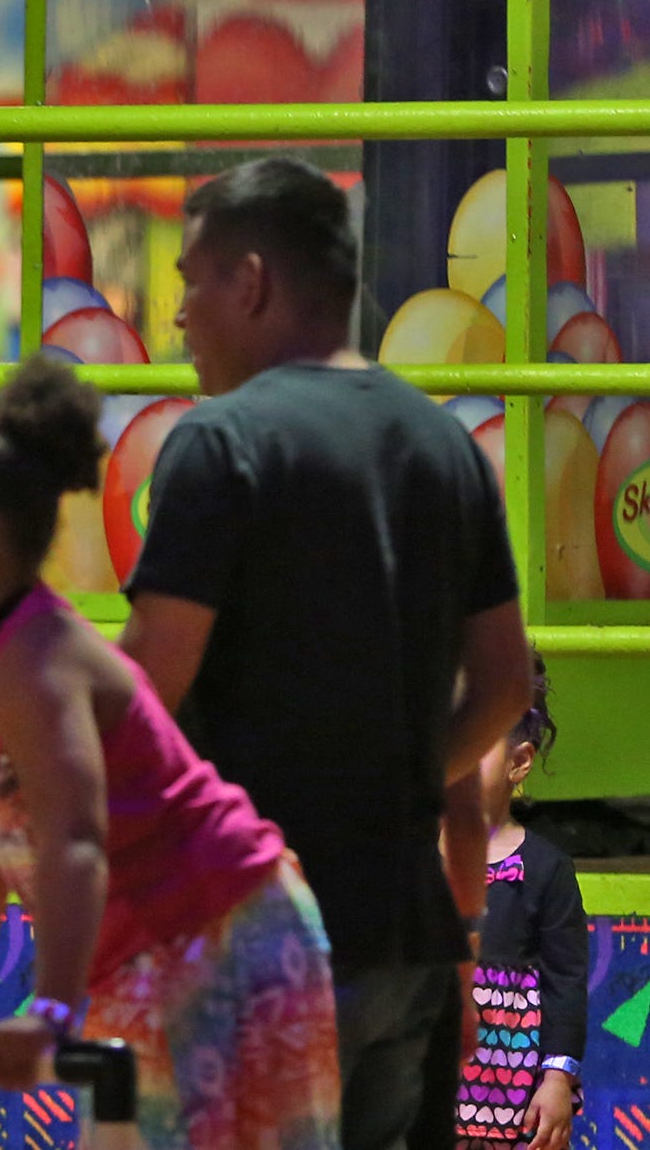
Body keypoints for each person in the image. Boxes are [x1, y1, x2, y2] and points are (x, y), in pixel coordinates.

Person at [117, 156, 537, 1150]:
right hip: (412, 942)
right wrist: (388, 775)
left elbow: (145, 690)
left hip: (269, 942)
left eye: (190, 280)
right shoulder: (444, 445)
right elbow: (506, 683)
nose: (179, 317)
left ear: (251, 280)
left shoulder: (220, 443)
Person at [0, 354, 340, 1150]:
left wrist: (49, 1013)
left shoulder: (34, 663)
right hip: (155, 953)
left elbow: (73, 841)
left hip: (217, 934)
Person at [453, 654, 583, 1150]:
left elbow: (565, 982)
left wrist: (557, 1080)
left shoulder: (547, 869)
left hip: (512, 1092)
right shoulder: (415, 856)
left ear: (519, 762)